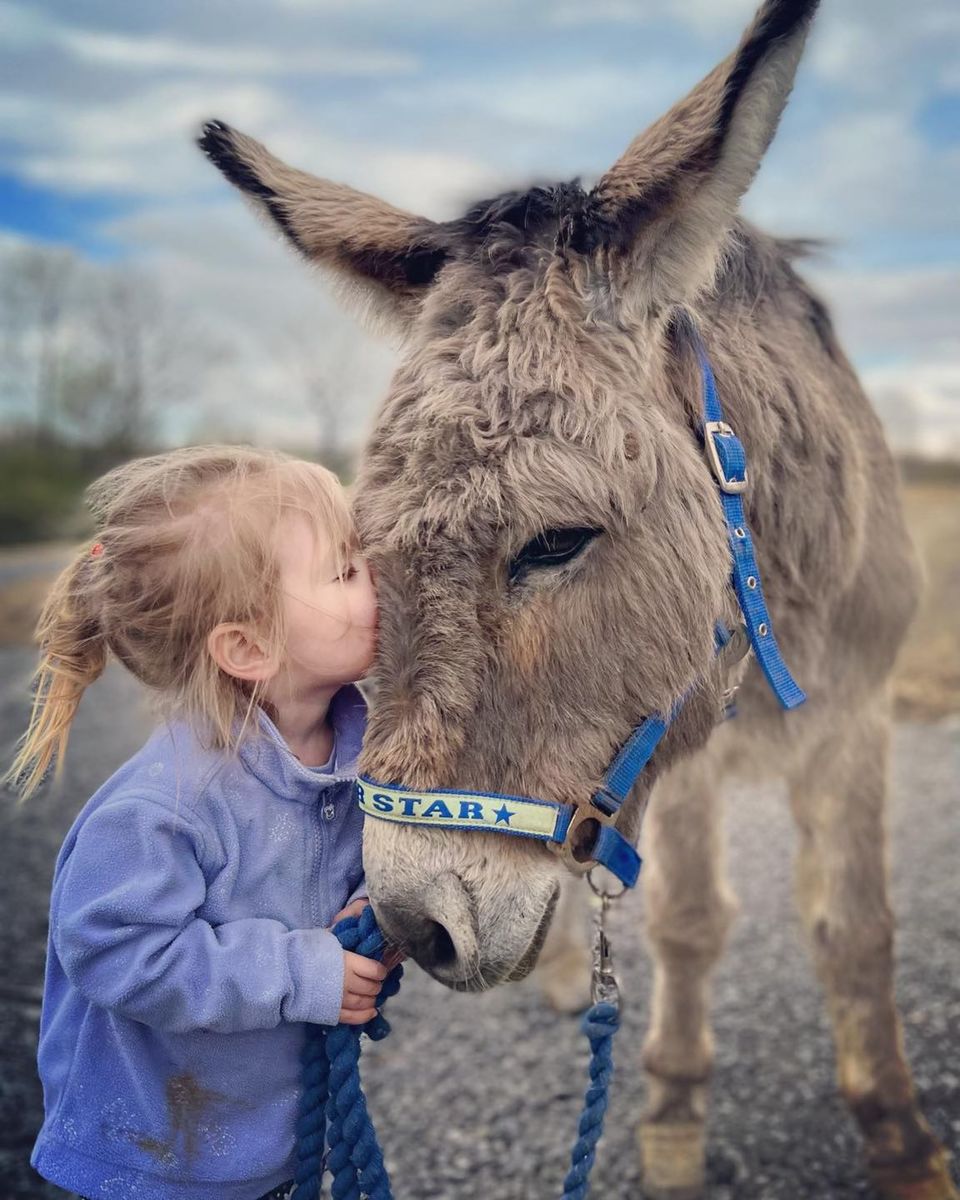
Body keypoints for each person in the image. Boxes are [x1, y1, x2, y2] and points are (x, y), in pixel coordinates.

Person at [4, 444, 400, 1200]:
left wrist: (369, 921)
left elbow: (348, 888)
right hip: (159, 1160)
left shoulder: (352, 755)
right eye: (345, 571)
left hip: (274, 1144)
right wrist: (303, 972)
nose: (377, 578)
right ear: (248, 647)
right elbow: (115, 949)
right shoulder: (162, 807)